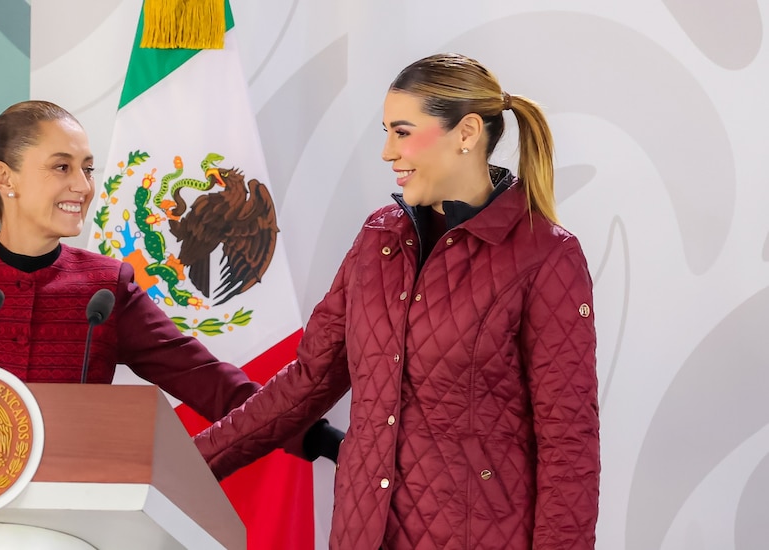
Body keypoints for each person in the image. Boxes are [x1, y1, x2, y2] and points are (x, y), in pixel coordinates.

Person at [0, 100, 342, 549]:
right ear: (4, 178)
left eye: (88, 168)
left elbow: (209, 381)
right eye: (61, 167)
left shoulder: (107, 287)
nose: (83, 186)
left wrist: (322, 438)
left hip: (71, 531)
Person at [193, 53, 601, 549]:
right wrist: (187, 465)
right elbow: (304, 384)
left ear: (467, 133)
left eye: (402, 132)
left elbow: (568, 447)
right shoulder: (377, 240)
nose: (388, 151)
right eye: (386, 132)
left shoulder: (546, 256)